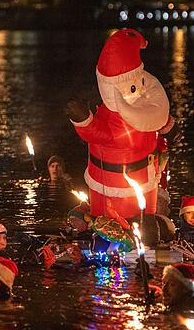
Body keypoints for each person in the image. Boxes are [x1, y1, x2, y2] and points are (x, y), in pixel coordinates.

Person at [67, 29, 175, 222]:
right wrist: (82, 119)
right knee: (107, 220)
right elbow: (96, 133)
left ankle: (146, 231)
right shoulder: (109, 117)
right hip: (107, 182)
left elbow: (157, 118)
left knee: (142, 218)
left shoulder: (144, 103)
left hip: (143, 178)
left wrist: (169, 126)